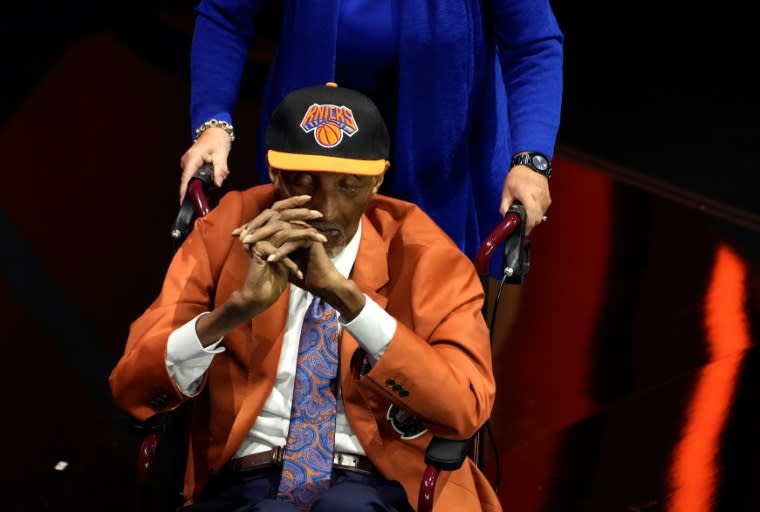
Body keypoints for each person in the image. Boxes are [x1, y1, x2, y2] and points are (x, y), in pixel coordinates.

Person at [111, 83, 499, 511]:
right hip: (248, 481)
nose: (326, 210)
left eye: (349, 186)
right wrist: (234, 311)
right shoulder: (227, 231)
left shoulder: (427, 254)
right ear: (275, 175)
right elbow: (132, 386)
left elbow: (463, 409)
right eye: (304, 183)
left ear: (377, 180)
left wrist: (348, 300)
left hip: (381, 480)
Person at [179, 0, 563, 265]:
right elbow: (225, 15)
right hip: (308, 163)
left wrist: (530, 159)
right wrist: (213, 125)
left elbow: (532, 45)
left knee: (418, 344)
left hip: (441, 174)